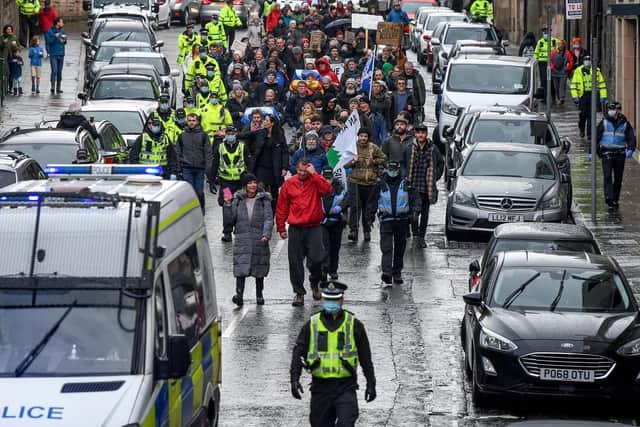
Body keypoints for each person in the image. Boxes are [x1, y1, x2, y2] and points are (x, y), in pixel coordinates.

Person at [290, 281, 376, 426]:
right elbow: (298, 352)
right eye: (328, 299)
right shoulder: (312, 324)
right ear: (323, 300)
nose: (331, 302)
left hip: (346, 387)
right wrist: (294, 379)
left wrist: (371, 383)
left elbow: (365, 357)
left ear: (342, 300)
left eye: (335, 299)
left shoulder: (354, 324)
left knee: (346, 423)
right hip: (320, 388)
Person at [276, 158, 332, 306]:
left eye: (304, 171)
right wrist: (281, 227)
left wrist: (315, 175)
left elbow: (327, 190)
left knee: (317, 259)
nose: (301, 173)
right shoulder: (289, 184)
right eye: (299, 170)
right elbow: (282, 206)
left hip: (314, 227)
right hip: (296, 228)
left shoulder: (315, 181)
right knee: (295, 262)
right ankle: (299, 292)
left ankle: (315, 282)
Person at [224, 173, 273, 306]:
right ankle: (239, 294)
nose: (253, 185)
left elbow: (269, 219)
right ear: (245, 185)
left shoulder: (264, 200)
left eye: (254, 182)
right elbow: (230, 220)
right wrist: (228, 205)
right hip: (242, 238)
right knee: (241, 267)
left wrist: (266, 234)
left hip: (259, 238)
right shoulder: (238, 199)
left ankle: (259, 294)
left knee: (259, 267)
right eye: (250, 183)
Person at [367, 161, 409, 285]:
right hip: (386, 220)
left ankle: (397, 273)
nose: (392, 171)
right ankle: (387, 273)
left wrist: (415, 213)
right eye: (390, 169)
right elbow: (372, 201)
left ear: (398, 169)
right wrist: (369, 218)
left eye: (394, 169)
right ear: (386, 169)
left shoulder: (405, 183)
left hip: (402, 220)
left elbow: (413, 199)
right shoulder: (380, 184)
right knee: (386, 248)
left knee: (400, 248)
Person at [402, 124, 444, 248]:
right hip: (413, 186)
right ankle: (415, 235)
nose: (421, 135)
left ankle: (421, 237)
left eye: (423, 133)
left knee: (425, 213)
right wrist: (405, 175)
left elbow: (441, 164)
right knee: (414, 213)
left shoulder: (433, 149)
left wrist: (434, 176)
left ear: (426, 134)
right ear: (415, 134)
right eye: (418, 132)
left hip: (426, 187)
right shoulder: (409, 148)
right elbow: (403, 163)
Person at [343, 128, 387, 242]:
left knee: (368, 208)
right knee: (355, 206)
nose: (363, 138)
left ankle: (367, 230)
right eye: (361, 136)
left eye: (365, 136)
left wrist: (373, 161)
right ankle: (353, 230)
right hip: (355, 181)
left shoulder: (373, 148)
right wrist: (353, 161)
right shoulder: (353, 148)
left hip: (370, 182)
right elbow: (344, 165)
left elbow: (383, 158)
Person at [592, 101, 636, 210]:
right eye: (611, 109)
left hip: (620, 154)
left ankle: (615, 199)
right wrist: (591, 151)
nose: (613, 111)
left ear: (618, 110)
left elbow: (631, 137)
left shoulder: (625, 123)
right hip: (606, 153)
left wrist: (630, 149)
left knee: (618, 178)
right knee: (607, 176)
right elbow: (596, 137)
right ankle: (609, 197)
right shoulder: (604, 122)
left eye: (615, 109)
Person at [213, 125, 249, 242]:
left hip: (239, 183)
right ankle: (227, 232)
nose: (230, 135)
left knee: (240, 207)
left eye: (232, 133)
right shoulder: (220, 147)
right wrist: (212, 180)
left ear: (236, 134)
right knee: (227, 207)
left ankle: (239, 229)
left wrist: (250, 180)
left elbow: (249, 163)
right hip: (226, 183)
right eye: (228, 133)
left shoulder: (242, 147)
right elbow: (215, 164)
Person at [176, 112, 213, 211]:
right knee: (189, 192)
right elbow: (178, 152)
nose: (191, 123)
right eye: (189, 121)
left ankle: (201, 209)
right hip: (186, 168)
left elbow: (208, 152)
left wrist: (208, 168)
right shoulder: (182, 136)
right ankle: (190, 211)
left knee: (199, 192)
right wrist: (179, 168)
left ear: (197, 122)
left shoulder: (203, 136)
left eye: (193, 121)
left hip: (200, 168)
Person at [320, 167, 348, 281]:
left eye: (329, 178)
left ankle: (333, 270)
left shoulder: (340, 187)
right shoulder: (318, 187)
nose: (327, 180)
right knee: (324, 246)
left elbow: (347, 199)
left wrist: (340, 208)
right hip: (323, 221)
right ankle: (324, 268)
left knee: (335, 247)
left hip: (337, 221)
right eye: (325, 178)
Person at [570, 56, 607, 138]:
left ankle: (589, 133)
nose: (587, 62)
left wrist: (603, 96)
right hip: (582, 96)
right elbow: (573, 85)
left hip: (592, 95)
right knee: (582, 115)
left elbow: (601, 84)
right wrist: (575, 96)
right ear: (583, 62)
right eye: (586, 60)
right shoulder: (578, 71)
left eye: (589, 60)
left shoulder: (596, 71)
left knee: (591, 115)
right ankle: (582, 130)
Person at [533, 27, 558, 101]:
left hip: (552, 63)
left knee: (552, 80)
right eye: (544, 33)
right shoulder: (540, 42)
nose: (546, 35)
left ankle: (553, 97)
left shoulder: (555, 41)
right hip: (542, 63)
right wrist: (534, 61)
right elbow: (536, 53)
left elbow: (558, 51)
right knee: (544, 80)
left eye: (547, 33)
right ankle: (544, 97)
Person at [44, 17, 65, 94]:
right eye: (62, 22)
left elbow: (64, 40)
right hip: (53, 54)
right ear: (57, 23)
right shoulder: (50, 31)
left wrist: (64, 40)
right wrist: (54, 37)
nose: (63, 24)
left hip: (61, 54)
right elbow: (48, 42)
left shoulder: (62, 30)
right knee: (54, 71)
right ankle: (52, 87)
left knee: (59, 72)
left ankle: (58, 88)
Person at [549, 39, 573, 105]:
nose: (559, 45)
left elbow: (571, 61)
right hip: (555, 72)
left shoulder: (567, 53)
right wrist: (552, 67)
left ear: (563, 45)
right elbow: (550, 60)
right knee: (556, 87)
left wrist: (567, 68)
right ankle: (558, 97)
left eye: (560, 43)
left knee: (562, 86)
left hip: (563, 73)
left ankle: (562, 98)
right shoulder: (553, 52)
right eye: (558, 43)